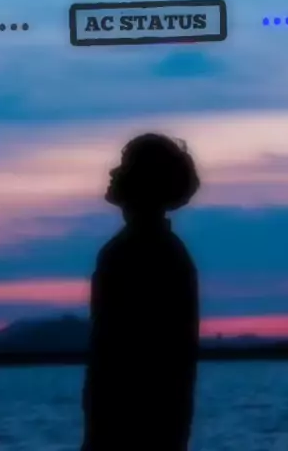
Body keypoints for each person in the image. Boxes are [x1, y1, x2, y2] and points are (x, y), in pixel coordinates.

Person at [81, 132, 200, 451]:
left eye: (124, 164)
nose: (112, 172)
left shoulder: (142, 252)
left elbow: (132, 359)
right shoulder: (150, 250)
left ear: (145, 180)